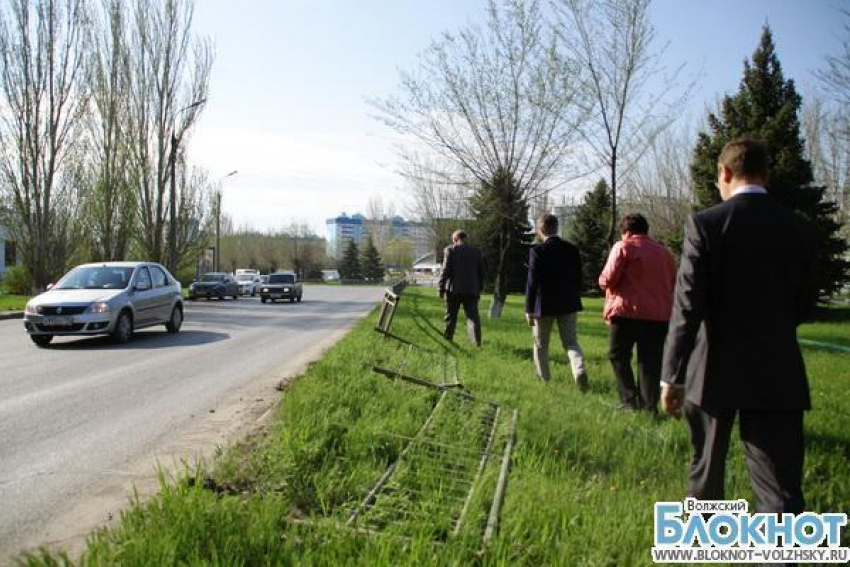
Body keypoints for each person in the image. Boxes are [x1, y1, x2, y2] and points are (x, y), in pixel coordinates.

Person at [661, 137, 819, 522]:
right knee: (779, 488)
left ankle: (704, 534)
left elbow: (687, 308)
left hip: (713, 369)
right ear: (766, 175)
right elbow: (806, 303)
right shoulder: (800, 228)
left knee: (707, 467)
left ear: (724, 173)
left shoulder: (705, 225)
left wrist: (672, 376)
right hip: (777, 369)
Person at [598, 213, 676, 412]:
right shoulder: (664, 252)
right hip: (658, 315)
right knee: (650, 362)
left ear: (627, 232)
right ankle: (650, 406)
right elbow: (673, 282)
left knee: (618, 355)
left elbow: (607, 280)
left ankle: (629, 399)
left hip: (626, 313)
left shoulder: (623, 247)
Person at [524, 213, 588, 390]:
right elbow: (578, 277)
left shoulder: (537, 251)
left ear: (541, 229)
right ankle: (579, 370)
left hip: (543, 305)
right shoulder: (571, 249)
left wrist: (528, 309)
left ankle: (544, 380)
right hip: (568, 303)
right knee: (571, 342)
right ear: (556, 227)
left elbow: (532, 283)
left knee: (541, 344)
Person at [438, 230, 484, 346]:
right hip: (472, 290)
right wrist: (479, 288)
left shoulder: (450, 250)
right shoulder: (476, 251)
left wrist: (441, 288)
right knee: (473, 317)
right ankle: (476, 342)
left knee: (451, 316)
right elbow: (481, 272)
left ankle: (448, 339)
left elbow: (445, 270)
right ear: (465, 238)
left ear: (455, 239)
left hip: (454, 290)